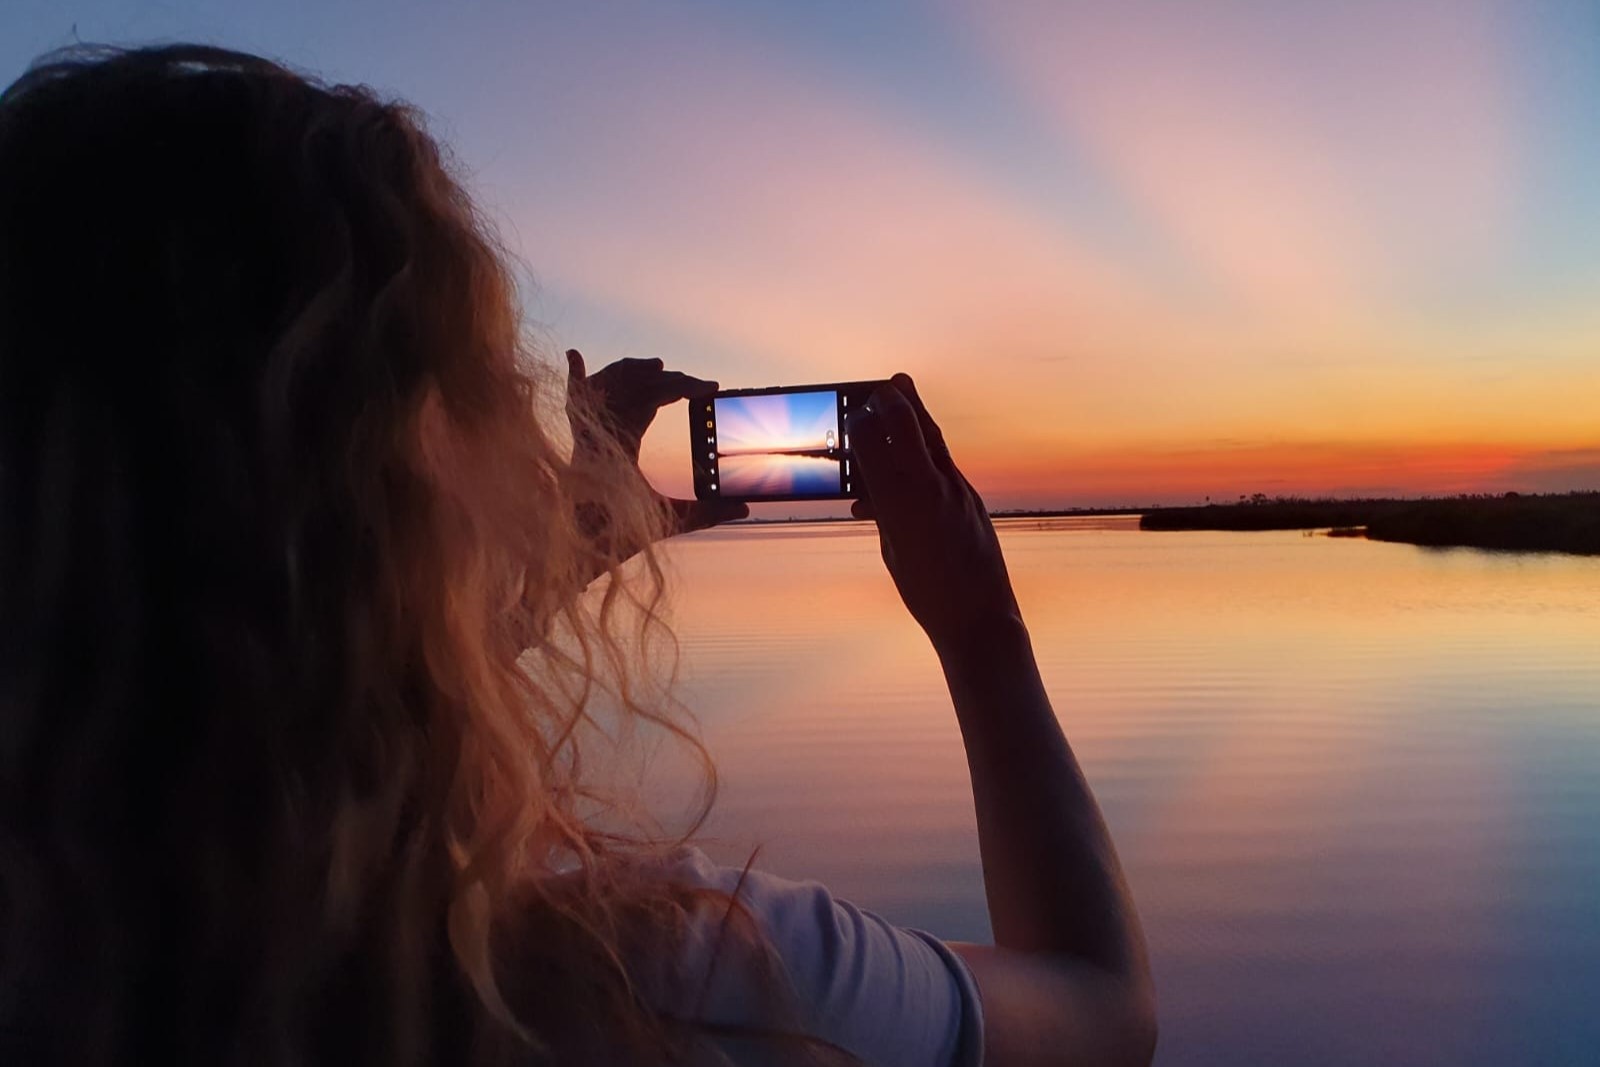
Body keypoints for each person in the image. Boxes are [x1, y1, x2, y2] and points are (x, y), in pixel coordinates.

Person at [0, 45, 1155, 1067]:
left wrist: (568, 549)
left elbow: (279, 704)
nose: (520, 425)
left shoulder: (58, 957)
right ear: (404, 478)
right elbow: (1099, 1013)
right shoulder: (679, 978)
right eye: (487, 377)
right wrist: (981, 632)